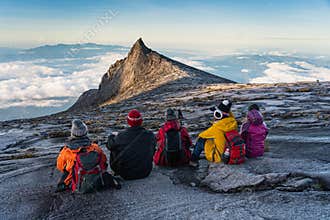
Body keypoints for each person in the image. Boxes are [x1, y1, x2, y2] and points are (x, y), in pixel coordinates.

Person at [56, 119, 120, 193]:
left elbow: (60, 166)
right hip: (97, 180)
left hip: (77, 183)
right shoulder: (95, 148)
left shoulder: (66, 151)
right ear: (86, 132)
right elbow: (104, 163)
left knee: (66, 171)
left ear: (72, 134)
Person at [107, 109, 156, 180]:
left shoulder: (121, 136)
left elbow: (109, 146)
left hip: (125, 174)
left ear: (128, 121)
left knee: (113, 147)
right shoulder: (150, 135)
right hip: (145, 172)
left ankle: (117, 168)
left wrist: (111, 137)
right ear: (141, 121)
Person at [190, 100, 238, 167]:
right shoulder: (233, 123)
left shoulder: (216, 128)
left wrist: (214, 124)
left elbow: (201, 135)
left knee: (201, 140)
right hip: (230, 153)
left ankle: (193, 160)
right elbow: (230, 115)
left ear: (218, 115)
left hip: (219, 157)